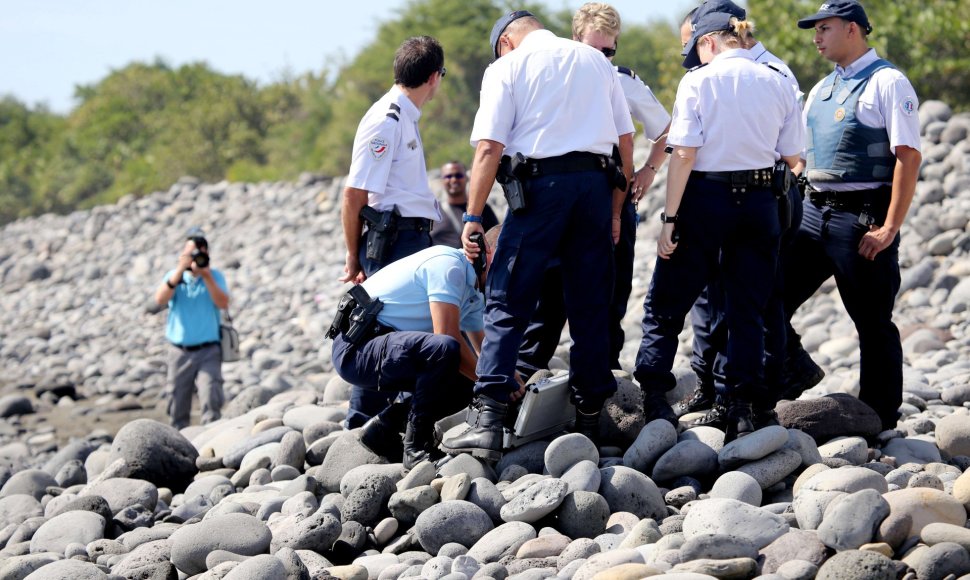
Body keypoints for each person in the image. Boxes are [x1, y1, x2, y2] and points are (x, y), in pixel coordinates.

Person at [439, 10, 634, 461]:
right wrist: (616, 210)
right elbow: (626, 140)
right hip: (595, 189)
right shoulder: (594, 60)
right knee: (589, 304)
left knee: (508, 299)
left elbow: (489, 147)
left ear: (506, 41)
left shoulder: (506, 68)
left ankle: (486, 421)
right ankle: (589, 418)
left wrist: (472, 217)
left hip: (542, 190)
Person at [633, 4, 803, 442]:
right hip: (761, 200)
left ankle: (654, 398)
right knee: (746, 310)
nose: (695, 58)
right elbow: (792, 154)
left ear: (709, 41)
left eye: (696, 48)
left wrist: (670, 218)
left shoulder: (698, 81)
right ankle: (741, 409)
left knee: (666, 304)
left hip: (707, 199)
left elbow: (684, 153)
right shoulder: (778, 80)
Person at [783, 0, 921, 432]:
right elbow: (802, 158)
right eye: (816, 29)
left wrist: (889, 229)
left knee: (872, 321)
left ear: (853, 30)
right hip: (812, 214)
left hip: (861, 219)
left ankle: (880, 415)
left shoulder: (888, 82)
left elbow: (908, 156)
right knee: (767, 298)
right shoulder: (822, 88)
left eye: (824, 28)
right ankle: (794, 372)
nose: (816, 37)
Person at [515, 2, 671, 379]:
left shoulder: (623, 80)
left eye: (609, 51)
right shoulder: (550, 77)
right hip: (559, 197)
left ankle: (604, 390)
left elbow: (667, 130)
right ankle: (521, 381)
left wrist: (649, 170)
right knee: (548, 300)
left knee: (609, 302)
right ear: (575, 40)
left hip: (612, 195)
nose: (602, 58)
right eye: (594, 49)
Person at [340, 35, 446, 428]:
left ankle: (390, 421)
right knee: (382, 328)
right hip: (395, 238)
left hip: (410, 235)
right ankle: (360, 425)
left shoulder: (403, 115)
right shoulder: (388, 119)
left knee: (406, 329)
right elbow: (353, 195)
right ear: (434, 77)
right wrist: (354, 257)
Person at [329, 235, 495, 470]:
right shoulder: (449, 266)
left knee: (465, 385)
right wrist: (492, 386)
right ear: (487, 254)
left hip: (384, 347)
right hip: (356, 349)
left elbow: (485, 354)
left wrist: (510, 379)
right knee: (445, 350)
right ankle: (417, 449)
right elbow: (446, 336)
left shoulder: (473, 292)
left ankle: (383, 429)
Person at [154, 227, 230, 429]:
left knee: (211, 395)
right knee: (177, 400)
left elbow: (223, 303)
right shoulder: (174, 277)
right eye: (189, 254)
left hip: (209, 350)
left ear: (206, 253)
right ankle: (179, 438)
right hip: (180, 351)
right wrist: (180, 270)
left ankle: (210, 437)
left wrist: (206, 276)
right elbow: (160, 299)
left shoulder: (214, 276)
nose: (194, 259)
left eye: (197, 254)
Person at [430, 160, 499, 249]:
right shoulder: (433, 212)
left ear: (467, 178)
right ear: (441, 180)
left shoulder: (481, 209)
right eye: (448, 176)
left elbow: (495, 238)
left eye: (458, 175)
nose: (454, 180)